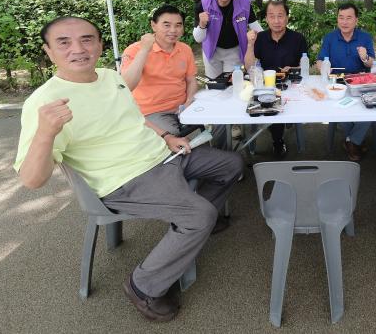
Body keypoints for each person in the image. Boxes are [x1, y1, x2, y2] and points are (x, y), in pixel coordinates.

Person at [14, 16, 244, 322]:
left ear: (99, 44)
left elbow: (136, 116)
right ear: (48, 50)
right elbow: (32, 180)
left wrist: (167, 136)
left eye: (86, 40)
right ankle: (143, 287)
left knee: (232, 164)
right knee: (199, 214)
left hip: (162, 155)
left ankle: (193, 225)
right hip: (124, 179)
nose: (78, 49)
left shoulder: (110, 77)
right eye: (64, 42)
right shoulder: (43, 103)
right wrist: (45, 132)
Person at [121, 5, 201, 137]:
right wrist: (145, 49)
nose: (173, 30)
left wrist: (189, 101)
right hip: (151, 112)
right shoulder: (135, 50)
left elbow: (191, 80)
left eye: (178, 25)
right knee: (173, 135)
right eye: (166, 25)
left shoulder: (185, 49)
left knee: (217, 121)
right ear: (153, 25)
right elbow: (127, 85)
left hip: (182, 106)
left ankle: (218, 154)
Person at [243, 1, 309, 158]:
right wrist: (250, 45)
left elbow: (304, 66)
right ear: (266, 18)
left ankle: (280, 135)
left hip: (291, 85)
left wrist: (293, 69)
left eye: (280, 16)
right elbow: (249, 67)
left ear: (287, 18)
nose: (276, 21)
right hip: (265, 86)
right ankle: (278, 141)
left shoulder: (298, 38)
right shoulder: (260, 38)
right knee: (270, 102)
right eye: (272, 16)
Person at [317, 2, 375, 161]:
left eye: (349, 18)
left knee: (370, 107)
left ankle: (351, 141)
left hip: (360, 81)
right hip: (337, 82)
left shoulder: (364, 37)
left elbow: (371, 64)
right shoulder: (330, 37)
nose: (344, 21)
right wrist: (323, 67)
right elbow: (320, 61)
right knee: (339, 106)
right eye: (341, 17)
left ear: (356, 20)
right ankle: (355, 142)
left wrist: (364, 56)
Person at [192, 0, 262, 79]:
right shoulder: (203, 5)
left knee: (232, 84)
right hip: (211, 51)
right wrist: (202, 24)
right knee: (213, 85)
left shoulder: (244, 4)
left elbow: (257, 29)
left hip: (235, 51)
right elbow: (198, 38)